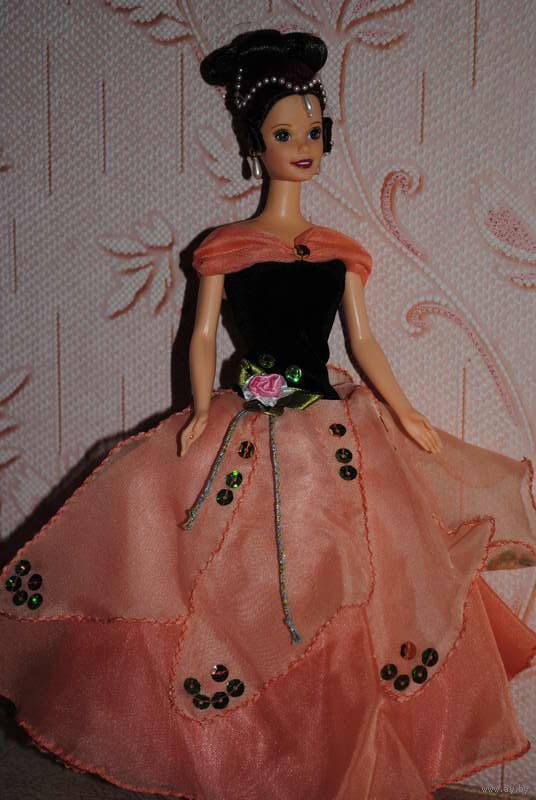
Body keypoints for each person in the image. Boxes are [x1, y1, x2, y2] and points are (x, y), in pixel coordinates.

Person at [1, 27, 535, 800]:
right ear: (256, 143)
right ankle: (245, 760)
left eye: (314, 131)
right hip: (244, 427)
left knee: (348, 576)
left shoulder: (340, 252)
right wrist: (195, 413)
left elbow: (364, 342)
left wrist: (408, 414)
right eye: (286, 133)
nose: (304, 146)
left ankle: (336, 752)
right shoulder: (226, 248)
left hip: (331, 430)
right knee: (220, 572)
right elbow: (200, 337)